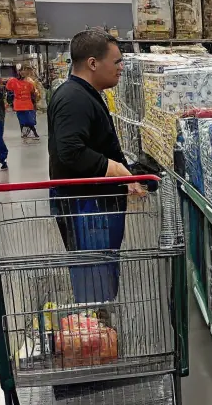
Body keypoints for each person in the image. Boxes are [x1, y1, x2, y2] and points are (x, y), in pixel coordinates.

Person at [48, 28, 142, 306]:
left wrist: (129, 172)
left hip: (95, 204)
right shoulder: (74, 99)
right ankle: (95, 329)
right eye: (116, 62)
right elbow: (70, 152)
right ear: (92, 63)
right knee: (94, 275)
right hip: (87, 207)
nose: (121, 68)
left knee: (101, 270)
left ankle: (100, 323)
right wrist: (114, 169)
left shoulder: (85, 94)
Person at [6, 64, 42, 141]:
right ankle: (27, 133)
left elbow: (34, 92)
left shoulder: (30, 81)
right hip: (19, 104)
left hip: (28, 104)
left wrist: (36, 95)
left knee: (30, 120)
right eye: (21, 70)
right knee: (22, 120)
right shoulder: (14, 81)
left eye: (24, 70)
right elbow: (8, 87)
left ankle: (31, 132)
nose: (23, 72)